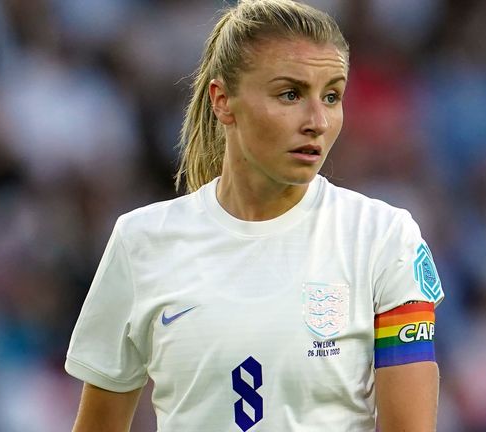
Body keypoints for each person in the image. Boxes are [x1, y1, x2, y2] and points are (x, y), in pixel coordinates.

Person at [65, 0, 444, 430]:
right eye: (290, 94)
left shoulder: (384, 238)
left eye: (332, 95)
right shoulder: (141, 242)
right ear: (223, 101)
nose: (318, 120)